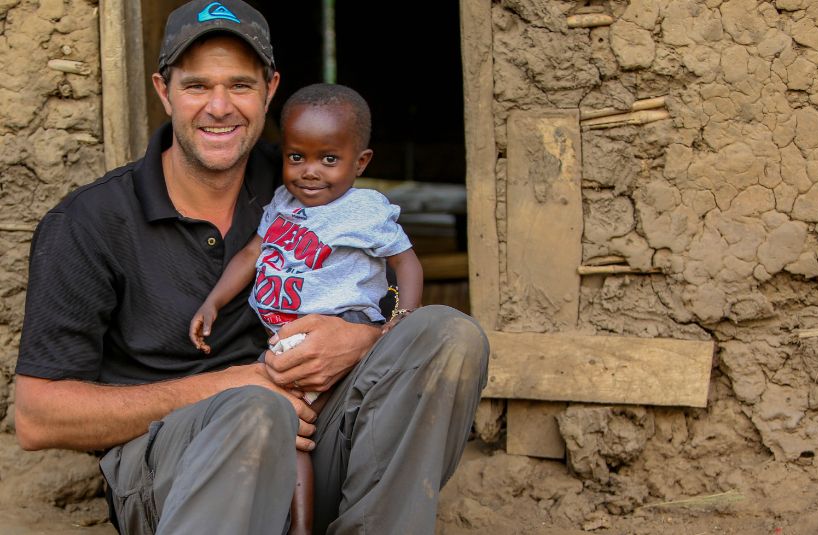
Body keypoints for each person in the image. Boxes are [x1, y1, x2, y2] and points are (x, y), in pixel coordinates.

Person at [13, 1, 489, 534]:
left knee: (449, 335)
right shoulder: (91, 221)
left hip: (312, 439)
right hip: (178, 476)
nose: (220, 106)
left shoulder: (304, 183)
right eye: (197, 86)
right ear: (163, 90)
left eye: (240, 85)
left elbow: (379, 293)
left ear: (270, 89)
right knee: (253, 414)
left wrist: (368, 338)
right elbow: (37, 416)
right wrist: (235, 388)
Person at [188, 82, 425, 534]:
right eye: (297, 157)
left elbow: (406, 262)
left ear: (361, 162)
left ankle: (303, 527)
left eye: (328, 159)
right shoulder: (283, 203)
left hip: (341, 327)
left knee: (294, 420)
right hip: (286, 339)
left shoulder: (365, 210)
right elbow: (250, 255)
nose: (309, 172)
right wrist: (213, 301)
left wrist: (402, 321)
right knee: (285, 421)